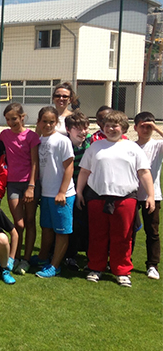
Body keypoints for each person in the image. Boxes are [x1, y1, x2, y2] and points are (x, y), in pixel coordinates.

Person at [77, 110, 155, 288]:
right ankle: (96, 267)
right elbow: (85, 171)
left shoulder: (132, 148)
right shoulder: (95, 147)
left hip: (125, 199)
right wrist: (80, 192)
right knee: (97, 235)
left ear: (124, 128)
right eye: (107, 125)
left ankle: (121, 270)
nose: (111, 129)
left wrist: (150, 195)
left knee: (123, 236)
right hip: (97, 197)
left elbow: (144, 172)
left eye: (115, 126)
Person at [0, 103, 40, 275]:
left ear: (22, 117)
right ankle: (13, 257)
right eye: (7, 119)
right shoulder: (4, 135)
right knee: (18, 223)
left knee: (29, 221)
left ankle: (26, 259)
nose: (11, 122)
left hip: (29, 184)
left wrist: (31, 186)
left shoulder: (31, 136)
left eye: (14, 118)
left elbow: (35, 162)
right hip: (13, 183)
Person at [34, 106, 75, 278]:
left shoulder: (62, 140)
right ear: (38, 122)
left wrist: (62, 192)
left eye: (52, 122)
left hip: (62, 195)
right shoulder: (39, 141)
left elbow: (69, 167)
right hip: (46, 193)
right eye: (44, 121)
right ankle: (43, 257)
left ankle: (55, 265)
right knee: (47, 228)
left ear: (57, 122)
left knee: (61, 231)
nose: (48, 125)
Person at [133, 112, 162, 280]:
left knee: (152, 231)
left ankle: (152, 265)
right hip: (131, 194)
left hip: (153, 195)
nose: (146, 130)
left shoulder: (157, 145)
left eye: (149, 126)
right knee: (128, 230)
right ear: (135, 128)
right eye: (142, 126)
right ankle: (125, 260)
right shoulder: (130, 146)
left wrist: (157, 128)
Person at [63, 111, 92, 270]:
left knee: (87, 224)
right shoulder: (64, 144)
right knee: (71, 224)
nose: (83, 132)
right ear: (68, 129)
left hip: (87, 191)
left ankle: (90, 256)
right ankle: (69, 255)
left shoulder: (90, 143)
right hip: (68, 191)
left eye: (85, 128)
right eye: (78, 129)